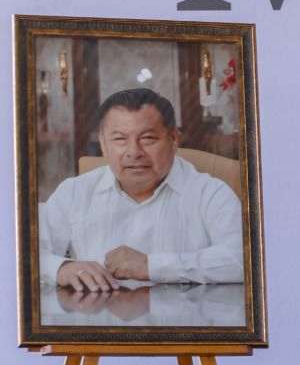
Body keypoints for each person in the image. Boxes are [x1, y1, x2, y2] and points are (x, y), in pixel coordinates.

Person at [40, 88, 243, 290]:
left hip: (187, 320)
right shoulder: (74, 192)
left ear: (174, 139)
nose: (134, 152)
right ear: (103, 143)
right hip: (98, 319)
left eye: (147, 138)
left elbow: (244, 260)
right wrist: (61, 268)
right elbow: (25, 256)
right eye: (119, 139)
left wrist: (152, 266)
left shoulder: (211, 193)